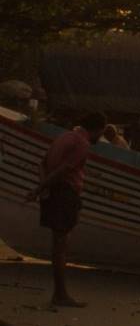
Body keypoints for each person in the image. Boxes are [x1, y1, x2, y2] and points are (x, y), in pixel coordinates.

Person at [26, 111, 120, 307]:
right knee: (61, 246)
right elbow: (64, 170)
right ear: (96, 129)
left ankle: (59, 293)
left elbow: (42, 163)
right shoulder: (82, 144)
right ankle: (60, 295)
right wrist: (39, 189)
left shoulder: (64, 137)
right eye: (101, 133)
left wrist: (42, 187)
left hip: (54, 193)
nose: (100, 138)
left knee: (58, 244)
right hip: (64, 194)